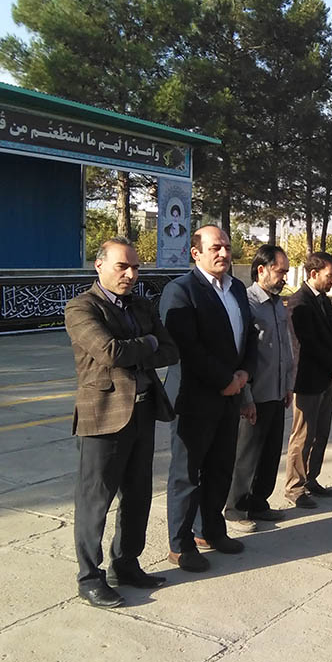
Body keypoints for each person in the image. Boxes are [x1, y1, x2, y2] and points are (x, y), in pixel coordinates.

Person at [65, 237, 179, 607]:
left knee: (138, 494)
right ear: (99, 265)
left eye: (135, 267)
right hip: (103, 417)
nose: (130, 274)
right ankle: (89, 577)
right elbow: (110, 352)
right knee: (95, 500)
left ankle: (126, 563)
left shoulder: (142, 305)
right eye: (122, 266)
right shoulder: (82, 308)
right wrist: (148, 344)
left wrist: (141, 346)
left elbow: (171, 350)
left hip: (143, 412)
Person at [160, 225, 257, 572]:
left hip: (230, 396)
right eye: (216, 247)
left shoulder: (237, 289)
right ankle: (180, 544)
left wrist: (244, 375)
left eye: (227, 247)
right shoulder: (181, 291)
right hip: (194, 398)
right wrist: (224, 380)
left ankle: (211, 530)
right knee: (187, 474)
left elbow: (249, 338)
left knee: (220, 467)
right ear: (196, 253)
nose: (224, 253)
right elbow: (186, 347)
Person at [224, 246, 293, 530]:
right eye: (280, 271)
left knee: (270, 452)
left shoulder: (277, 304)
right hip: (256, 392)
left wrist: (287, 385)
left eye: (286, 272)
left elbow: (285, 348)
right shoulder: (247, 303)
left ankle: (259, 502)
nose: (284, 277)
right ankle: (236, 509)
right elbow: (241, 354)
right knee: (246, 454)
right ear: (261, 270)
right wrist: (246, 397)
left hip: (276, 391)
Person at [285, 251, 332, 507]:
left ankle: (312, 479)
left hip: (328, 378)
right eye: (329, 275)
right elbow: (307, 343)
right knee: (303, 435)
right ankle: (295, 487)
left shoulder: (323, 300)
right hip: (309, 379)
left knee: (321, 432)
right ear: (314, 273)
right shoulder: (298, 302)